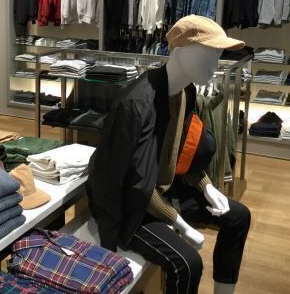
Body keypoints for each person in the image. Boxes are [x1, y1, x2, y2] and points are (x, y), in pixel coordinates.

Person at [87, 15, 251, 294]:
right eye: (208, 56)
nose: (214, 68)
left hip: (166, 191)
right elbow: (126, 181)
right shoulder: (136, 104)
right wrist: (180, 223)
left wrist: (207, 186)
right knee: (187, 264)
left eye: (217, 58)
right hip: (133, 209)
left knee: (238, 216)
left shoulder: (186, 92)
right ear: (180, 50)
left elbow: (182, 152)